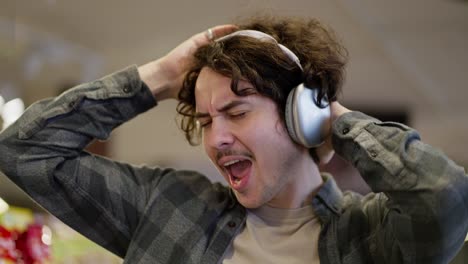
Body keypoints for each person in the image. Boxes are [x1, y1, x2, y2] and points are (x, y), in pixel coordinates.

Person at [0, 15, 467, 264]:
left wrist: (332, 116)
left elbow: (445, 196)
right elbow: (25, 149)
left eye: (236, 112)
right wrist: (160, 77)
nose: (216, 138)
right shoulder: (169, 204)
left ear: (299, 113)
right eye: (205, 120)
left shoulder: (371, 236)